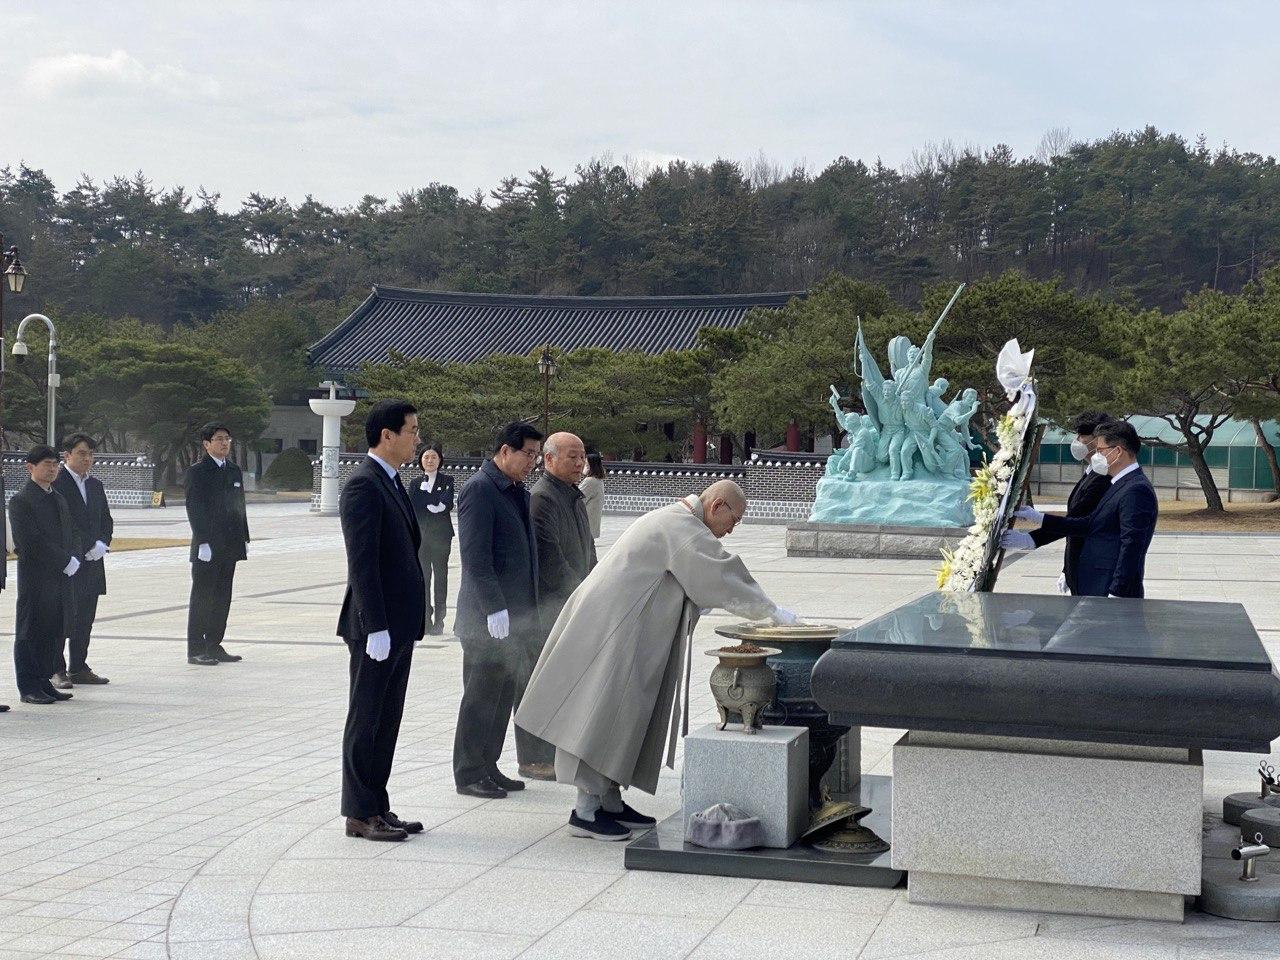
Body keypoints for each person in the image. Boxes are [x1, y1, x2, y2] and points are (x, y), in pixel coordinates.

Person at [515, 479, 800, 841]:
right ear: (716, 507)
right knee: (599, 714)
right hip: (613, 633)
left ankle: (610, 801)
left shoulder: (678, 519)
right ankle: (586, 811)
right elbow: (721, 574)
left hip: (623, 630)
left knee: (624, 715)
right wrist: (772, 611)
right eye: (735, 518)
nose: (733, 527)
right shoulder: (680, 526)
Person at [337, 399, 426, 841]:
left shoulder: (393, 482)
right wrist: (374, 625)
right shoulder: (363, 485)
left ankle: (379, 805)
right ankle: (358, 812)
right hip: (377, 626)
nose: (417, 438)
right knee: (366, 717)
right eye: (411, 430)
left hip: (400, 625)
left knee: (387, 719)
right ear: (386, 436)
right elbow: (363, 564)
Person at [453, 421, 543, 800]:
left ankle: (488, 765)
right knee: (480, 696)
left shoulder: (515, 491)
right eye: (528, 454)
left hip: (516, 617)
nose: (532, 463)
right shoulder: (480, 489)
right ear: (505, 450)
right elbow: (475, 557)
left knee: (503, 694)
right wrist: (494, 608)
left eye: (537, 456)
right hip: (486, 619)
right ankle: (469, 772)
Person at [1003, 420, 1158, 598]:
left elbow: (1132, 546)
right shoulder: (1119, 484)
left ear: (1118, 451)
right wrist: (1039, 519)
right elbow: (1089, 524)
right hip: (1095, 584)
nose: (1097, 456)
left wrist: (1117, 593)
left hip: (1108, 589)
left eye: (1100, 451)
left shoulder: (1135, 489)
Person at [521, 432, 597, 781]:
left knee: (565, 681)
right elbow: (552, 560)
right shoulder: (542, 499)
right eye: (572, 457)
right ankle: (533, 757)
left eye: (582, 457)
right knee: (539, 682)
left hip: (576, 602)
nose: (580, 463)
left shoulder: (573, 496)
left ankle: (557, 751)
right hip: (550, 608)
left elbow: (587, 553)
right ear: (548, 460)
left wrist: (597, 587)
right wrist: (580, 595)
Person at [8, 446, 79, 705]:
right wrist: (63, 560)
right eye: (47, 464)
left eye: (55, 464)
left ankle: (43, 681)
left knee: (53, 630)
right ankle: (28, 686)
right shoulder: (21, 501)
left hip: (59, 577)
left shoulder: (57, 497)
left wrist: (74, 556)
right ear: (30, 467)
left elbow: (70, 532)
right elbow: (29, 542)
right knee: (31, 631)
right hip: (36, 578)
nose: (52, 469)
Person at [50, 433, 114, 688]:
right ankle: (56, 668)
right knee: (62, 618)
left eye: (90, 454)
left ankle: (79, 666)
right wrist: (82, 548)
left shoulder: (95, 485)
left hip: (93, 562)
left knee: (85, 618)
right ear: (67, 455)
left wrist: (102, 543)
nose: (87, 458)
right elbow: (61, 524)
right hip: (69, 563)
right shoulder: (57, 482)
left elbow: (105, 520)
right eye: (81, 453)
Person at [184, 423, 250, 666]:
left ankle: (214, 643)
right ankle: (196, 648)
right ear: (206, 444)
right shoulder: (197, 472)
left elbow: (239, 506)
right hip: (207, 547)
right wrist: (202, 541)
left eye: (227, 439)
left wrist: (244, 538)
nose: (225, 443)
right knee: (203, 597)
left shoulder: (233, 470)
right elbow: (194, 508)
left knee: (223, 596)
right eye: (219, 439)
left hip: (230, 545)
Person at [1030, 412, 1115, 595]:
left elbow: (1077, 521)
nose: (1077, 440)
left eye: (1082, 435)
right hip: (1078, 566)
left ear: (1098, 440)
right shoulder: (1091, 472)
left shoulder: (1103, 478)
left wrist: (1031, 539)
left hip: (1091, 568)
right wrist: (1066, 569)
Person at [408, 442, 454, 636]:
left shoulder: (448, 480)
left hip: (442, 536)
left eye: (433, 457)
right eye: (426, 457)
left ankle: (440, 620)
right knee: (424, 578)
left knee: (441, 578)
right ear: (421, 460)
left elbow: (446, 502)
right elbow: (414, 506)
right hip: (422, 538)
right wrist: (430, 498)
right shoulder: (415, 484)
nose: (429, 460)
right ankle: (425, 619)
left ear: (440, 460)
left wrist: (433, 501)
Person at [579, 452, 606, 540]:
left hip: (585, 523)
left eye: (587, 465)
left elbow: (578, 498)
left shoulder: (590, 481)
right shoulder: (598, 480)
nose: (584, 467)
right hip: (591, 522)